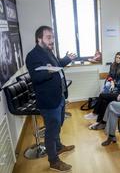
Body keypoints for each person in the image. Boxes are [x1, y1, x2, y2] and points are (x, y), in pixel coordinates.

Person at [26, 26, 76, 172]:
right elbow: (36, 78)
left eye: (52, 37)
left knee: (58, 125)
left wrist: (67, 59)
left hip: (58, 97)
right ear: (39, 38)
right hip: (48, 101)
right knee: (51, 131)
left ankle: (59, 146)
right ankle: (53, 161)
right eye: (48, 37)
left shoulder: (48, 51)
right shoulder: (33, 56)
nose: (52, 40)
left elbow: (57, 65)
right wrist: (48, 71)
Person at [89, 56, 120, 130]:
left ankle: (95, 114)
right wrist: (114, 84)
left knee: (102, 95)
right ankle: (101, 122)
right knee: (104, 101)